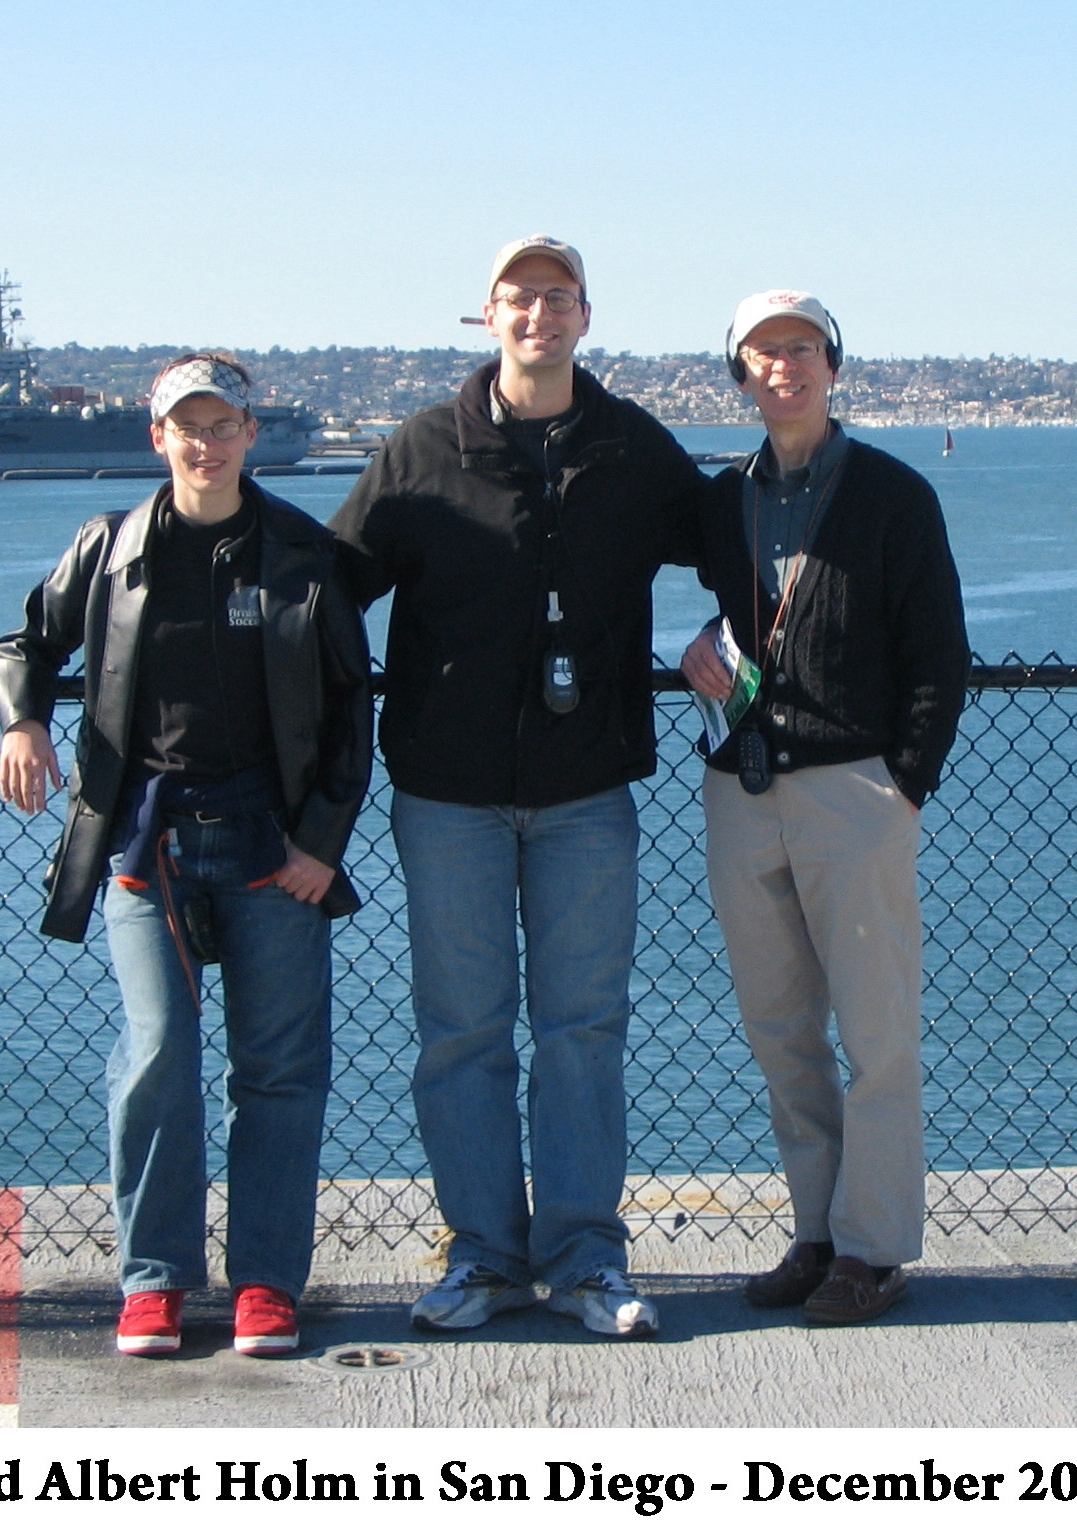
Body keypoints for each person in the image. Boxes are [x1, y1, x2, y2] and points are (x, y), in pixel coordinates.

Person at [328, 236, 707, 1337]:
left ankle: (588, 1258)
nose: (536, 313)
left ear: (587, 316)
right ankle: (484, 1256)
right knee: (462, 1033)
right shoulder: (418, 451)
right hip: (445, 796)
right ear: (483, 317)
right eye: (516, 297)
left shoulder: (632, 447)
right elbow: (328, 593)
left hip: (587, 790)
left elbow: (736, 546)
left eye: (556, 297)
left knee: (582, 1028)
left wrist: (725, 630)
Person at [0, 353, 372, 1358]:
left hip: (271, 844)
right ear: (156, 438)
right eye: (185, 427)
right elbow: (24, 643)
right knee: (157, 1056)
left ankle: (265, 1285)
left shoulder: (300, 551)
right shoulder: (108, 549)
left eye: (223, 424)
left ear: (251, 432)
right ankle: (154, 1279)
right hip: (146, 840)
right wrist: (22, 721)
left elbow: (348, 717)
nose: (205, 443)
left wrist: (319, 849)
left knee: (280, 1071)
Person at [678, 290, 969, 1326]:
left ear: (832, 366)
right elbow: (693, 607)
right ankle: (817, 1232)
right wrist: (689, 651)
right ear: (740, 378)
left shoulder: (893, 495)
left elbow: (940, 652)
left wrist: (903, 786)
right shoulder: (719, 501)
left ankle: (876, 1247)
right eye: (761, 355)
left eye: (800, 350)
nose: (782, 369)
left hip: (854, 793)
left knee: (879, 1033)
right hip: (740, 791)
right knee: (779, 1029)